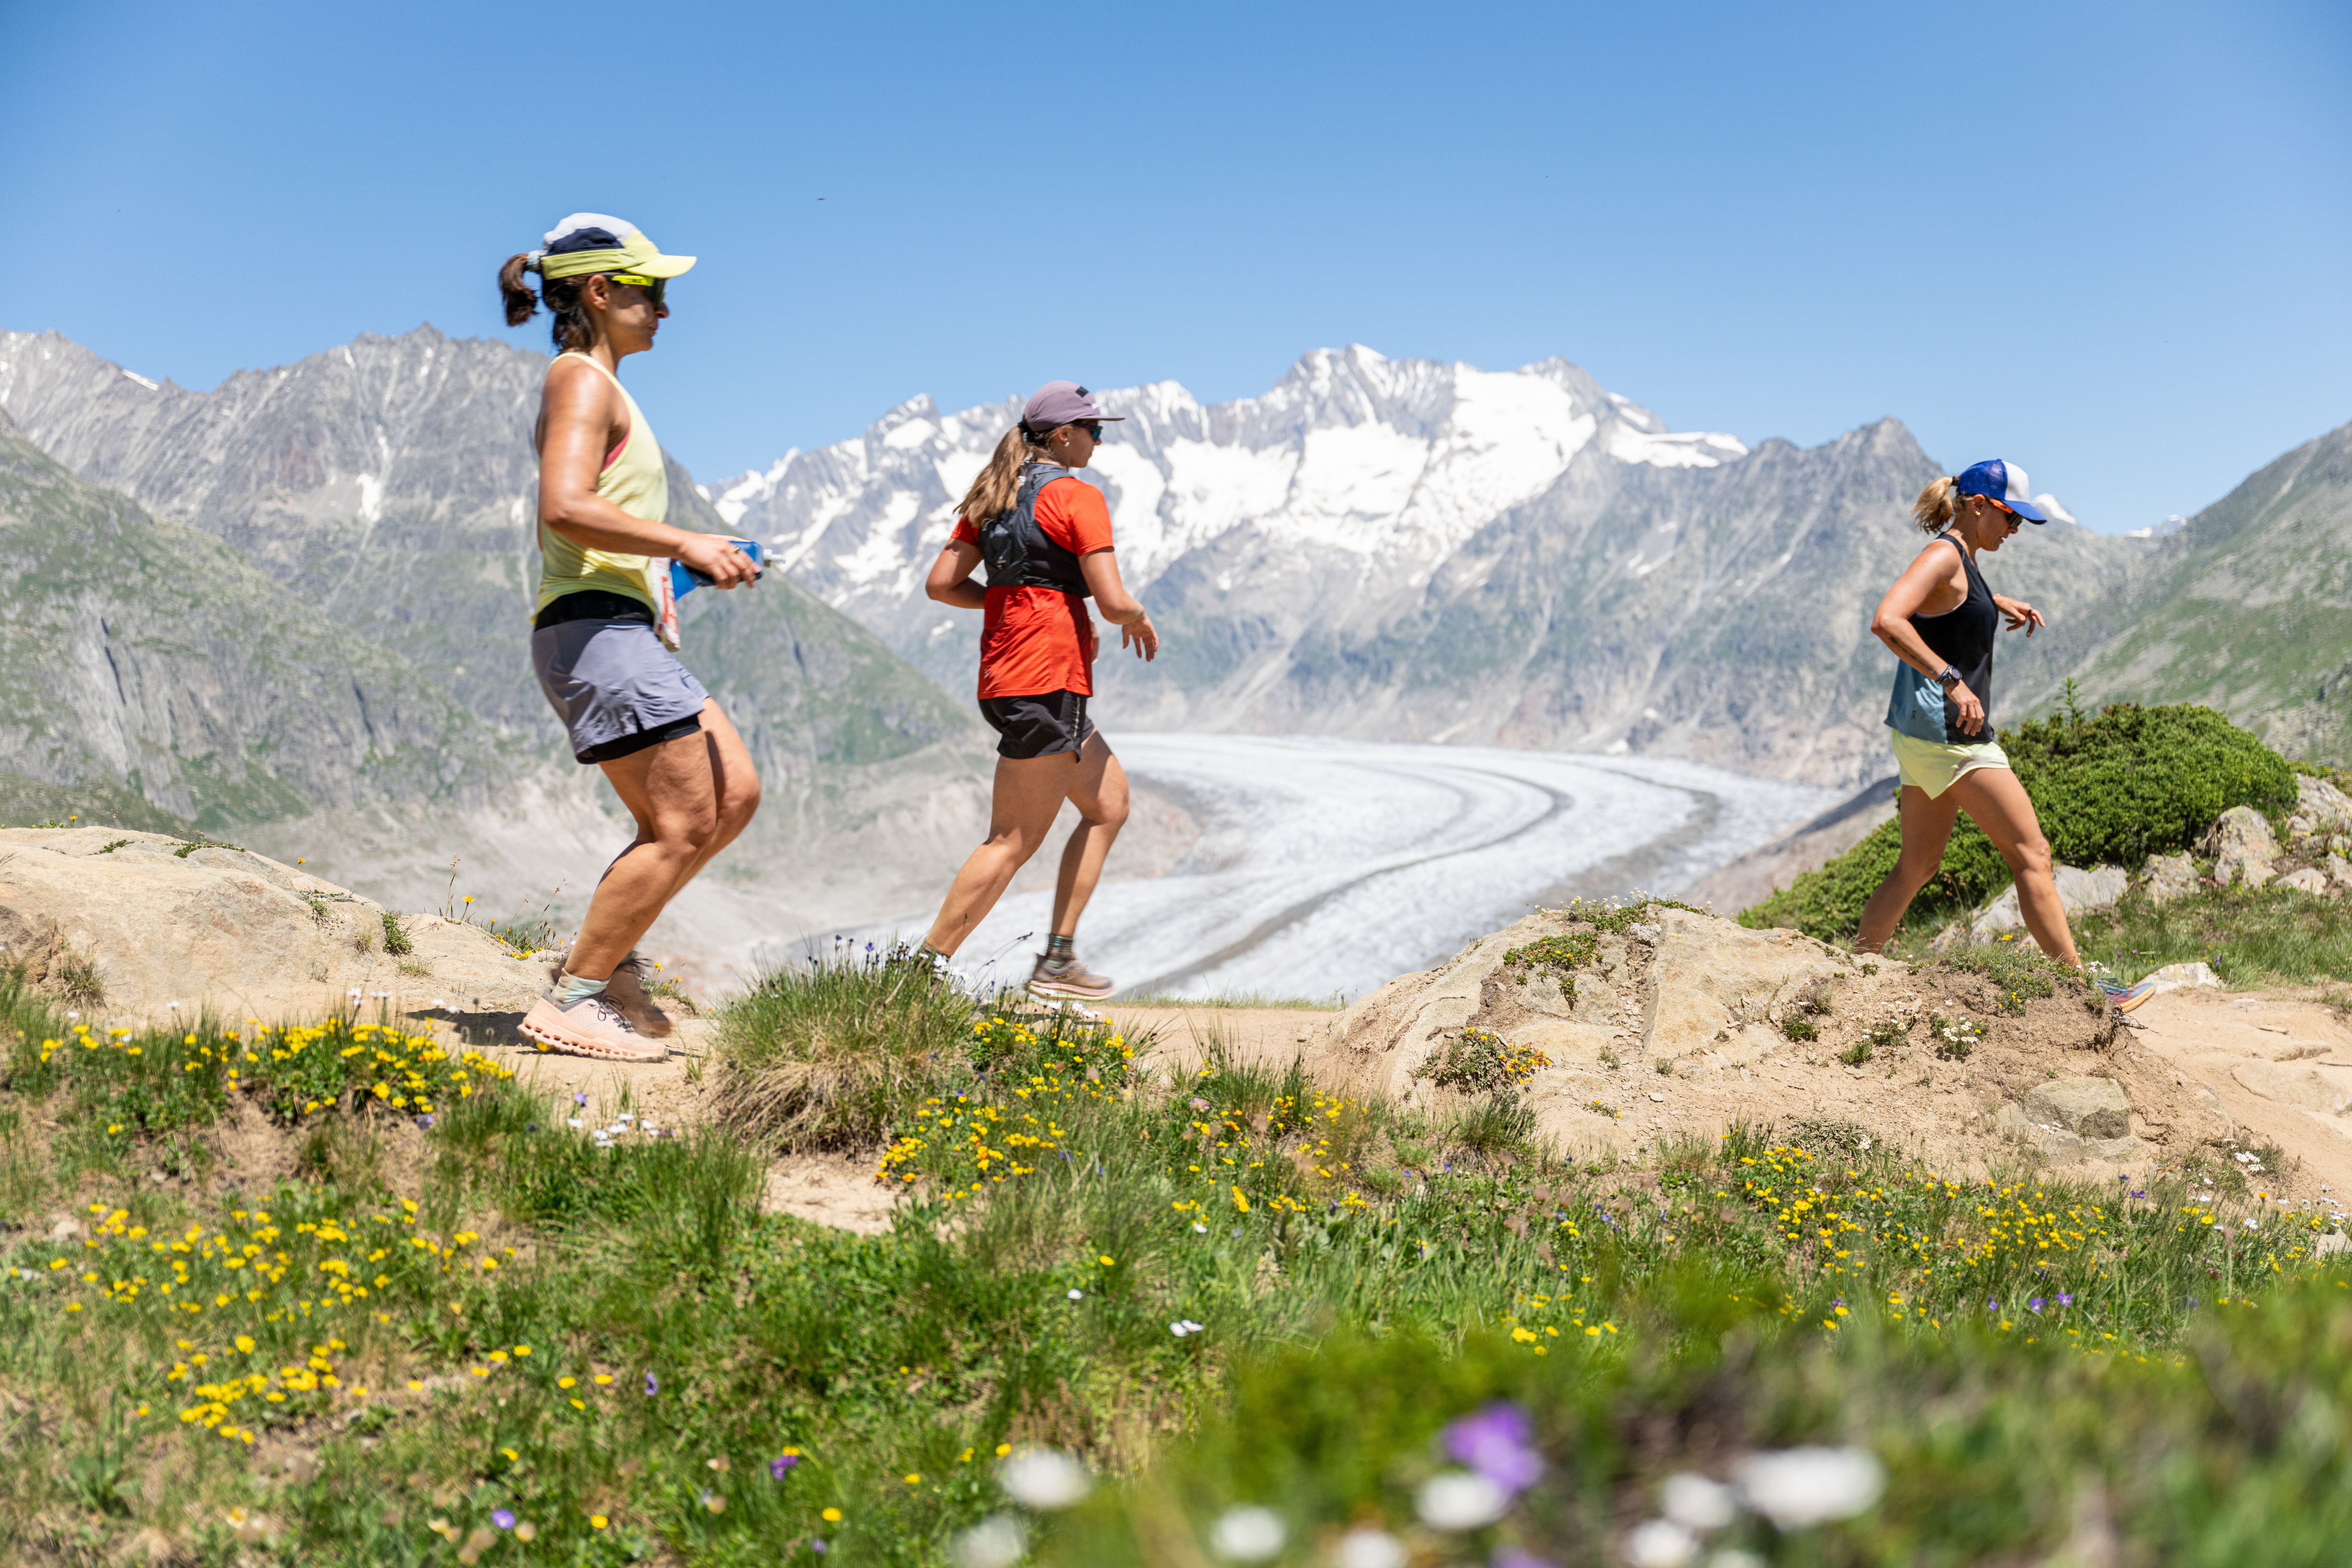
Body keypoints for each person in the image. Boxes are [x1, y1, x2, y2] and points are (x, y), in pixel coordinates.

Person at [495, 214, 763, 1060]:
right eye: (653, 292)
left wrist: (676, 568)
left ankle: (607, 968)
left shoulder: (601, 385)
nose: (665, 310)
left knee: (735, 794)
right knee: (684, 820)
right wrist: (683, 541)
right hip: (593, 629)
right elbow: (565, 506)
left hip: (615, 622)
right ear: (602, 291)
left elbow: (592, 522)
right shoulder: (580, 381)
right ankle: (578, 996)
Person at [916, 382, 1159, 1001]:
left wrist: (1013, 600)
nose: (1098, 440)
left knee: (1108, 804)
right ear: (1063, 436)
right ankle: (916, 978)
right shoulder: (1077, 497)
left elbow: (942, 584)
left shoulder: (992, 496)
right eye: (1093, 430)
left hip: (1007, 678)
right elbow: (1112, 600)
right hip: (1047, 680)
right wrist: (1135, 616)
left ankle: (1058, 958)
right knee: (1011, 841)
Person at [1855, 459, 2080, 967]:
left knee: (1917, 866)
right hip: (1950, 735)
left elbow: (1947, 604)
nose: (2014, 529)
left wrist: (1993, 601)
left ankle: (1857, 967)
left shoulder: (1962, 557)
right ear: (1979, 506)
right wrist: (1951, 681)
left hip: (1921, 733)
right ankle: (2083, 988)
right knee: (2033, 855)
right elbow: (1887, 620)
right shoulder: (1943, 555)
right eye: (2011, 516)